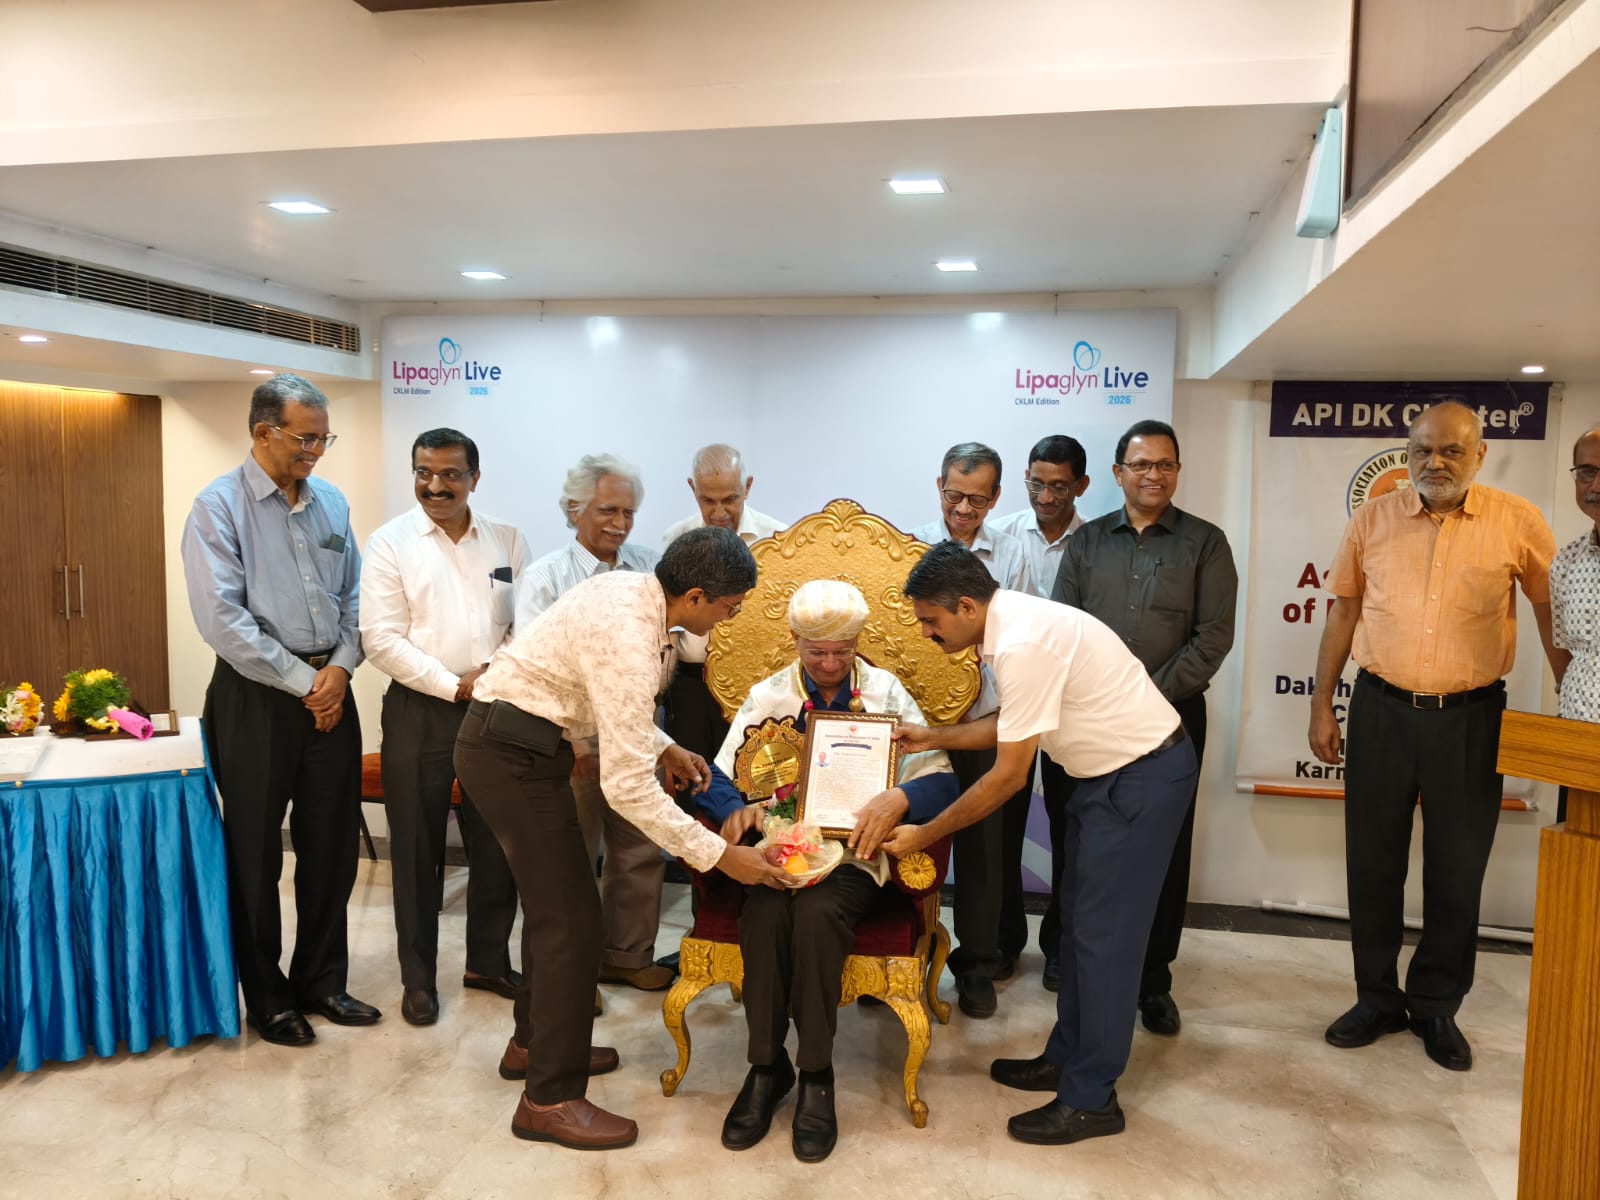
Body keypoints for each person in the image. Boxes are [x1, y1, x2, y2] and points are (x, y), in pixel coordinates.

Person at [454, 526, 787, 1151]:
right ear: (694, 596)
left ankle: (534, 1045)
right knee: (571, 922)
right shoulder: (631, 633)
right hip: (509, 756)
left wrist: (665, 746)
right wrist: (721, 855)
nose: (730, 618)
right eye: (729, 607)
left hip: (521, 746)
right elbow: (627, 789)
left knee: (561, 914)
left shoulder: (631, 592)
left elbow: (605, 697)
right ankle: (549, 1099)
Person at [882, 541, 1197, 1145]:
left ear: (967, 606)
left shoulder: (1022, 644)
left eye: (930, 620)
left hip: (1139, 779)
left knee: (1105, 943)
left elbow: (1007, 777)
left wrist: (927, 832)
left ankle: (1091, 1099)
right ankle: (1068, 1056)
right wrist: (934, 736)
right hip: (1106, 777)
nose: (925, 632)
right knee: (1081, 927)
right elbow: (1017, 720)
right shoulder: (1012, 625)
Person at [1308, 401, 1561, 1072]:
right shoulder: (1373, 519)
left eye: (1451, 450)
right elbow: (1343, 614)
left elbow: (1550, 615)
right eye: (1422, 450)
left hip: (1471, 718)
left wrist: (1578, 704)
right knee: (1372, 863)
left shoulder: (1518, 521)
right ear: (1407, 453)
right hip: (1381, 710)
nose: (1435, 462)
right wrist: (1322, 704)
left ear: (1480, 454)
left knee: (1457, 869)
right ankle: (1376, 998)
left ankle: (1436, 1006)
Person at [696, 580, 959, 1163]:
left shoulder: (885, 692)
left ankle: (816, 1073)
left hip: (855, 855)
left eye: (843, 651)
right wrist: (735, 808)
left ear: (857, 642)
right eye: (817, 651)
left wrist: (902, 798)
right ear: (795, 640)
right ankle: (766, 1069)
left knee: (816, 915)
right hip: (781, 848)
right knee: (764, 914)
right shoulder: (769, 695)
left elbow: (941, 779)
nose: (831, 664)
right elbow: (717, 774)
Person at [180, 373, 378, 1047]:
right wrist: (307, 683)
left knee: (331, 849)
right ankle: (267, 998)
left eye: (323, 438)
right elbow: (223, 620)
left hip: (331, 689)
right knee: (255, 854)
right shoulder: (217, 507)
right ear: (263, 432)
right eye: (305, 438)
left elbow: (357, 597)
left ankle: (321, 980)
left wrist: (340, 670)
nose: (315, 450)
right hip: (255, 697)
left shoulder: (332, 503)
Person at [1051, 419, 1237, 1033]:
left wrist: (1141, 699)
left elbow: (1212, 639)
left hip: (1171, 724)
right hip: (1087, 722)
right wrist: (1105, 700)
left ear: (1177, 471)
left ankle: (1153, 980)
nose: (1153, 475)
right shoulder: (1086, 542)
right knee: (1082, 845)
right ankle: (1075, 965)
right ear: (1118, 473)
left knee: (1165, 853)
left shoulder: (1205, 544)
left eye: (1165, 464)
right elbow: (1064, 628)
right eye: (1141, 464)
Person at [359, 427, 527, 1026]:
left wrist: (491, 675)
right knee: (415, 848)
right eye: (424, 473)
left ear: (474, 479)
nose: (435, 486)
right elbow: (380, 638)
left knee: (498, 843)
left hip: (495, 706)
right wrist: (453, 684)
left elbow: (523, 625)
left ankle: (488, 962)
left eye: (450, 474)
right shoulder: (390, 542)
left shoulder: (507, 539)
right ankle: (418, 980)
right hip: (420, 709)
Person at [517, 453, 673, 993]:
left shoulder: (650, 568)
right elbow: (538, 672)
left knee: (640, 847)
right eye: (608, 510)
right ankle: (573, 979)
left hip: (639, 730)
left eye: (628, 512)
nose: (620, 523)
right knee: (571, 859)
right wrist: (577, 741)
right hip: (572, 738)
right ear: (573, 509)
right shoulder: (545, 577)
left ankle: (627, 957)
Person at [909, 442, 1033, 1019]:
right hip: (920, 724)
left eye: (977, 499)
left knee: (984, 847)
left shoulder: (1014, 553)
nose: (963, 509)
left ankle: (978, 964)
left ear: (997, 497)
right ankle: (898, 953)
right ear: (939, 487)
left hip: (987, 720)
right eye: (954, 495)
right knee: (908, 833)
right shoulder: (905, 545)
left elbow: (1023, 638)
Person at [989, 434, 1092, 992]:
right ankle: (1004, 941)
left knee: (1070, 828)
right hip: (1011, 702)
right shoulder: (1003, 536)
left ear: (1082, 485)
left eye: (1059, 486)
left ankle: (1059, 947)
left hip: (1073, 708)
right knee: (1002, 828)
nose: (1046, 497)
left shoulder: (1095, 542)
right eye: (1036, 484)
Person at [660, 444, 788, 774]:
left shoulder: (779, 539)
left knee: (755, 779)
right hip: (690, 688)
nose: (719, 512)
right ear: (693, 488)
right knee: (692, 781)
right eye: (708, 500)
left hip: (757, 685)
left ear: (748, 487)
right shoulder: (675, 539)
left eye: (730, 499)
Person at [1547, 427, 1594, 824]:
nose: (1597, 485)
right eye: (1587, 472)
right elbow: (1565, 650)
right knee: (1575, 855)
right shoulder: (1566, 561)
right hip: (1578, 747)